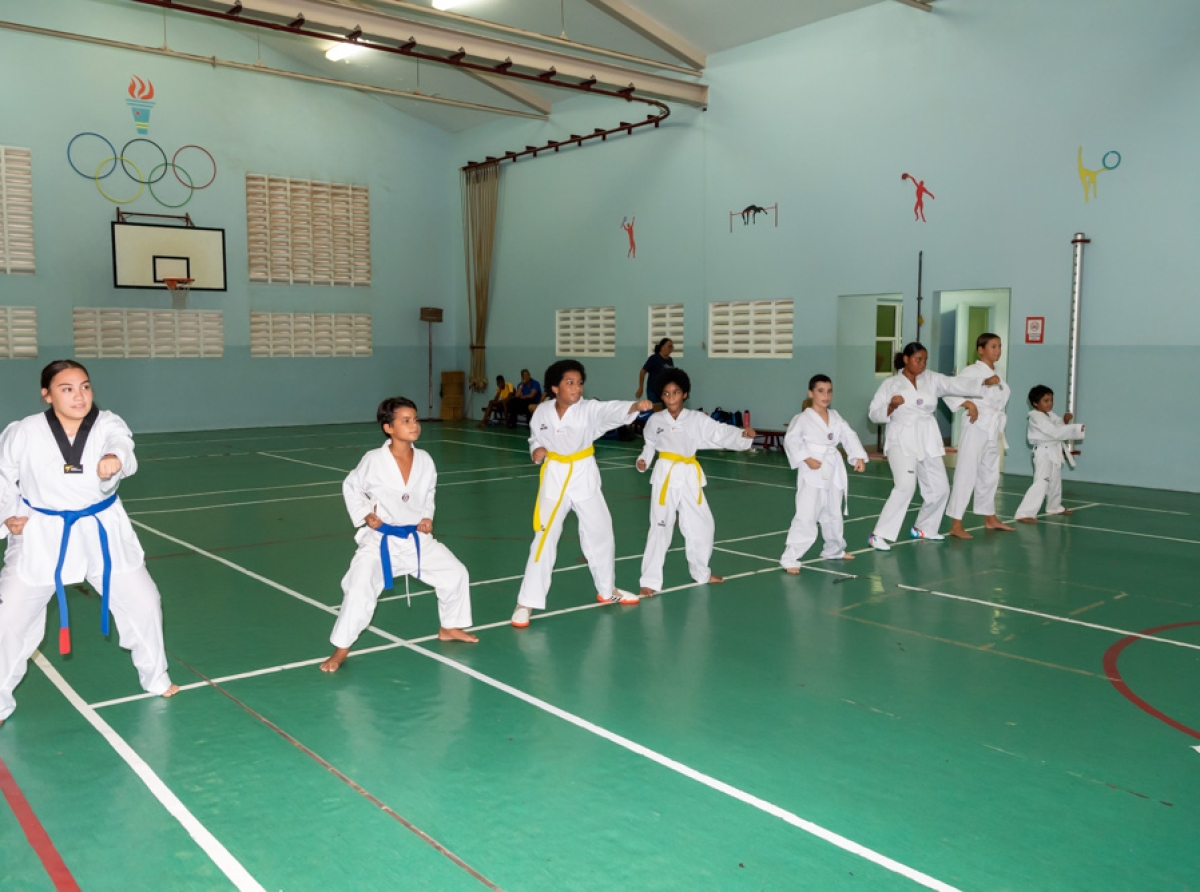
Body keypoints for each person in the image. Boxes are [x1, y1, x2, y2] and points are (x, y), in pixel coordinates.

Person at [0, 360, 178, 727]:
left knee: (145, 602)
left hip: (102, 531)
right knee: (9, 619)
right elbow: (3, 476)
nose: (79, 396)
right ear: (46, 394)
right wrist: (7, 515)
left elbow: (121, 445)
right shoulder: (23, 432)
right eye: (66, 389)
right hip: (42, 533)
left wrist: (115, 460)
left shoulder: (108, 423)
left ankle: (157, 678)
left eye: (85, 386)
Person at [321, 397, 476, 672]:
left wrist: (427, 516)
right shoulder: (373, 460)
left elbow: (429, 492)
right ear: (388, 427)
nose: (414, 425)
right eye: (405, 421)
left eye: (415, 419)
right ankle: (341, 649)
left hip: (416, 540)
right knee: (358, 590)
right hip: (381, 541)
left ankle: (449, 627)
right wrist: (364, 514)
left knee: (456, 573)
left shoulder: (425, 460)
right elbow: (351, 486)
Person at [511, 360, 652, 628]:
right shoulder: (541, 412)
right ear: (555, 387)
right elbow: (534, 439)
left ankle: (607, 589)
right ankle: (526, 602)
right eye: (570, 382)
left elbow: (609, 410)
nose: (576, 388)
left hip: (583, 476)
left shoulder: (588, 410)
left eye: (579, 383)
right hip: (554, 478)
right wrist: (536, 451)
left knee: (601, 533)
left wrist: (633, 407)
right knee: (544, 539)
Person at [635, 369, 756, 596]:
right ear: (661, 396)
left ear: (685, 394)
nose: (671, 397)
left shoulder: (696, 419)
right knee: (660, 527)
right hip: (665, 476)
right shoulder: (655, 420)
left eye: (676, 392)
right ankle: (649, 581)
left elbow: (720, 432)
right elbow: (649, 444)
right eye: (666, 393)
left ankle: (701, 572)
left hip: (689, 476)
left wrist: (743, 436)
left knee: (703, 525)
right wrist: (643, 460)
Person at [867, 342, 997, 551]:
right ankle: (878, 534)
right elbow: (873, 413)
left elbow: (954, 384)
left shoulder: (932, 379)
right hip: (902, 439)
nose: (922, 364)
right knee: (905, 486)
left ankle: (924, 528)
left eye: (925, 359)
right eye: (918, 359)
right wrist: (891, 406)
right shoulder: (891, 384)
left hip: (927, 438)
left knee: (940, 489)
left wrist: (983, 382)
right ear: (907, 359)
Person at [780, 375, 868, 573]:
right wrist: (805, 458)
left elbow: (848, 435)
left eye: (829, 391)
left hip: (833, 467)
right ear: (811, 393)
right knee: (807, 513)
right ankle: (790, 558)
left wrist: (858, 457)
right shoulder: (802, 418)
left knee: (833, 512)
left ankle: (834, 549)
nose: (825, 395)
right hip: (812, 468)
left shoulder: (835, 416)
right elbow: (791, 441)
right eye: (820, 391)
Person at [944, 333, 1015, 539]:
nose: (998, 350)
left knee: (990, 474)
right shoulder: (971, 371)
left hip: (993, 428)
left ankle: (989, 517)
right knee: (966, 473)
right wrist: (969, 404)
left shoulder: (997, 372)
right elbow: (949, 390)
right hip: (976, 427)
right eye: (993, 346)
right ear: (980, 350)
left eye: (1000, 346)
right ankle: (956, 523)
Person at [1013, 386, 1086, 523]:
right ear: (1035, 403)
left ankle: (1054, 506)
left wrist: (1064, 420)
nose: (1050, 403)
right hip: (1043, 452)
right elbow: (1054, 432)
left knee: (1055, 481)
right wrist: (1076, 429)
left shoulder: (1049, 414)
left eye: (1051, 400)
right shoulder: (1035, 417)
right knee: (1041, 481)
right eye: (1046, 401)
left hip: (1053, 450)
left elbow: (1058, 425)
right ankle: (1024, 513)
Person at [635, 338, 675, 407]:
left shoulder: (670, 360)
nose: (671, 348)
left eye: (672, 347)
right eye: (669, 346)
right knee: (656, 412)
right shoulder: (654, 358)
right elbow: (642, 372)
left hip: (665, 392)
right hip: (653, 391)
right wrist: (641, 387)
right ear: (662, 347)